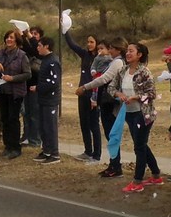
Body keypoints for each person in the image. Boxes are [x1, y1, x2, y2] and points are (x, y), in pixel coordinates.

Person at [76, 39, 127, 178]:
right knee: (110, 134)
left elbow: (104, 79)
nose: (109, 51)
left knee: (112, 135)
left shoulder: (117, 62)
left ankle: (116, 166)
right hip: (106, 100)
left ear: (118, 49)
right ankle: (113, 164)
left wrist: (85, 87)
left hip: (110, 102)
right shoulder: (114, 61)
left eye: (112, 48)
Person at [115, 42, 161, 192]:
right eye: (127, 51)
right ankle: (156, 175)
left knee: (139, 147)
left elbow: (152, 94)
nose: (127, 53)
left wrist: (136, 97)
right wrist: (119, 94)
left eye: (131, 51)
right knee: (141, 144)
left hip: (143, 113)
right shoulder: (123, 70)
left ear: (139, 55)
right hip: (129, 113)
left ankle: (137, 182)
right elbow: (111, 87)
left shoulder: (145, 72)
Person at [63, 29, 103, 162]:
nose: (89, 44)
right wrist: (65, 30)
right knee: (84, 123)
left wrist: (95, 98)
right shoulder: (85, 55)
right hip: (82, 93)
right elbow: (72, 45)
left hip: (94, 95)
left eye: (92, 42)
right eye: (88, 42)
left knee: (94, 125)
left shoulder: (100, 59)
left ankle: (96, 155)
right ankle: (88, 151)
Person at [0, 29, 31, 158]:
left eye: (11, 37)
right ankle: (7, 146)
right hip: (3, 90)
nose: (9, 40)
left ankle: (15, 148)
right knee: (4, 119)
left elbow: (28, 74)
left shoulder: (22, 55)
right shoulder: (0, 53)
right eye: (7, 37)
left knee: (13, 119)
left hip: (16, 92)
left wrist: (13, 78)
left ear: (16, 40)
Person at [32, 36, 62, 164]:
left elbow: (54, 82)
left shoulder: (53, 61)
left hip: (51, 100)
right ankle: (46, 151)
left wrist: (38, 88)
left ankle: (54, 154)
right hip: (43, 99)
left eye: (39, 45)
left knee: (51, 127)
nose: (37, 48)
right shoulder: (45, 60)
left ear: (47, 46)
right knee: (43, 126)